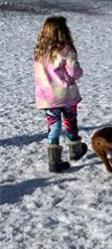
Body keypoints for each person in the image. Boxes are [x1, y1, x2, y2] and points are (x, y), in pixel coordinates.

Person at [33, 15, 87, 172]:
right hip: (65, 94)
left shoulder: (39, 50)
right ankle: (75, 150)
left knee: (53, 125)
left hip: (47, 95)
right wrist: (75, 75)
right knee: (70, 122)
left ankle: (54, 160)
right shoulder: (66, 49)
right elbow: (74, 72)